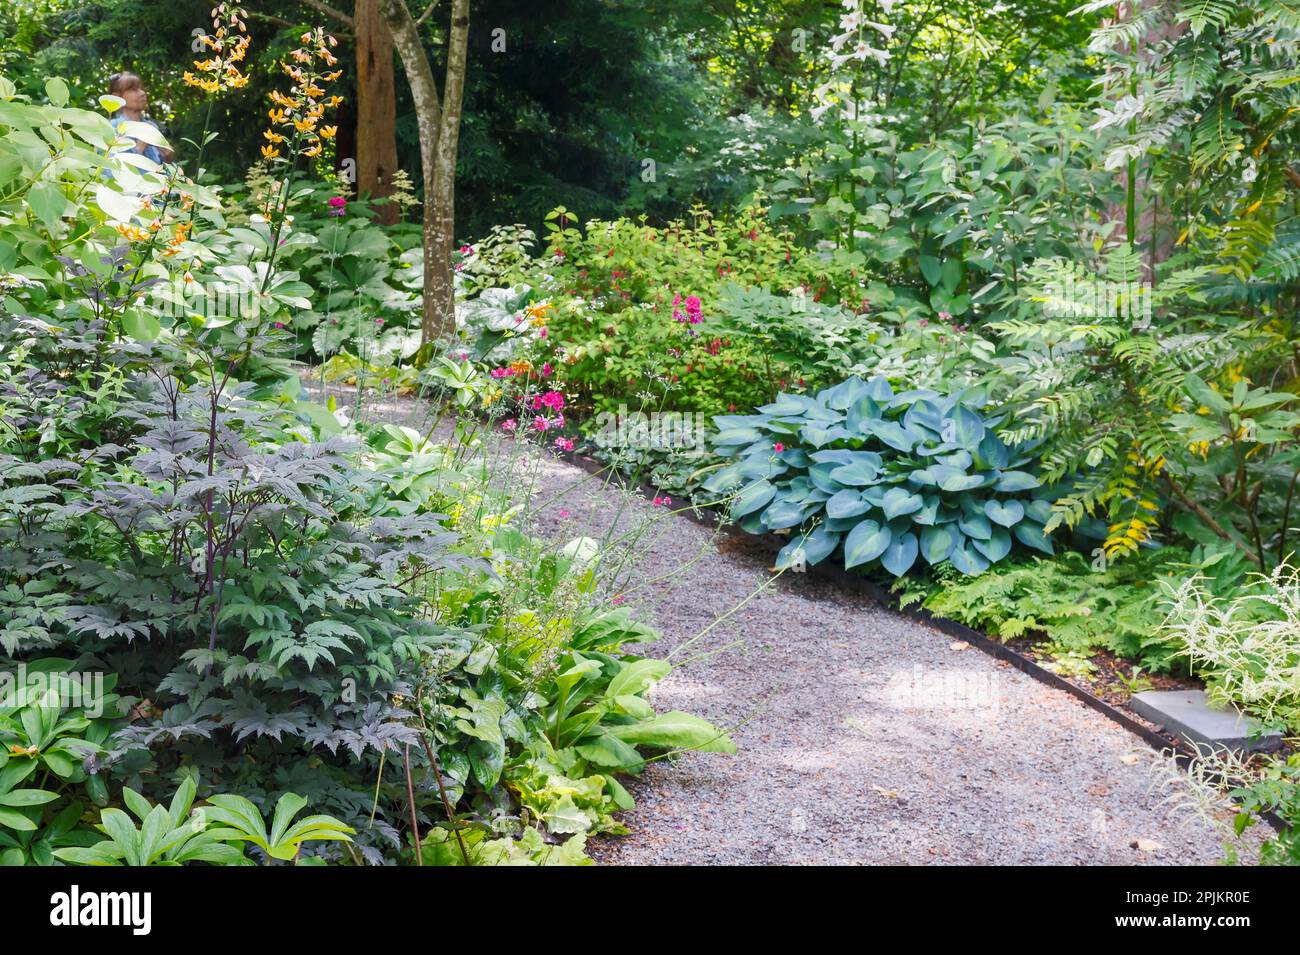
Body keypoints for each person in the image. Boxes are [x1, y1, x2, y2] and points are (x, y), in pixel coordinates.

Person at [107, 71, 175, 165]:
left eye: (141, 88)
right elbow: (109, 171)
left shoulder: (151, 126)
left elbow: (162, 166)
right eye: (134, 89)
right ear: (116, 97)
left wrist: (168, 157)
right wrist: (139, 148)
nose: (142, 93)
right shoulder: (111, 128)